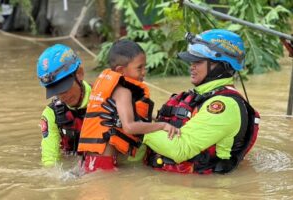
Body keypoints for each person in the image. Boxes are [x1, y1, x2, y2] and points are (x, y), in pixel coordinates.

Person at [143, 29, 260, 174]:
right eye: (191, 61)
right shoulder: (204, 95)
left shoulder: (224, 106)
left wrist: (135, 127)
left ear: (220, 65)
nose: (191, 66)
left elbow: (180, 149)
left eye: (198, 61)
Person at [77, 39, 178, 172]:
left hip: (89, 160)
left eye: (144, 67)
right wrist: (163, 125)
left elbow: (126, 114)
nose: (144, 72)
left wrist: (156, 118)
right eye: (139, 68)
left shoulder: (108, 87)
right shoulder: (123, 92)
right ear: (121, 71)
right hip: (103, 163)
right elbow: (130, 127)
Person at [36, 44, 91, 167]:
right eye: (56, 91)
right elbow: (50, 159)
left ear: (80, 74)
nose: (62, 96)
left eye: (64, 88)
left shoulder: (105, 100)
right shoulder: (52, 114)